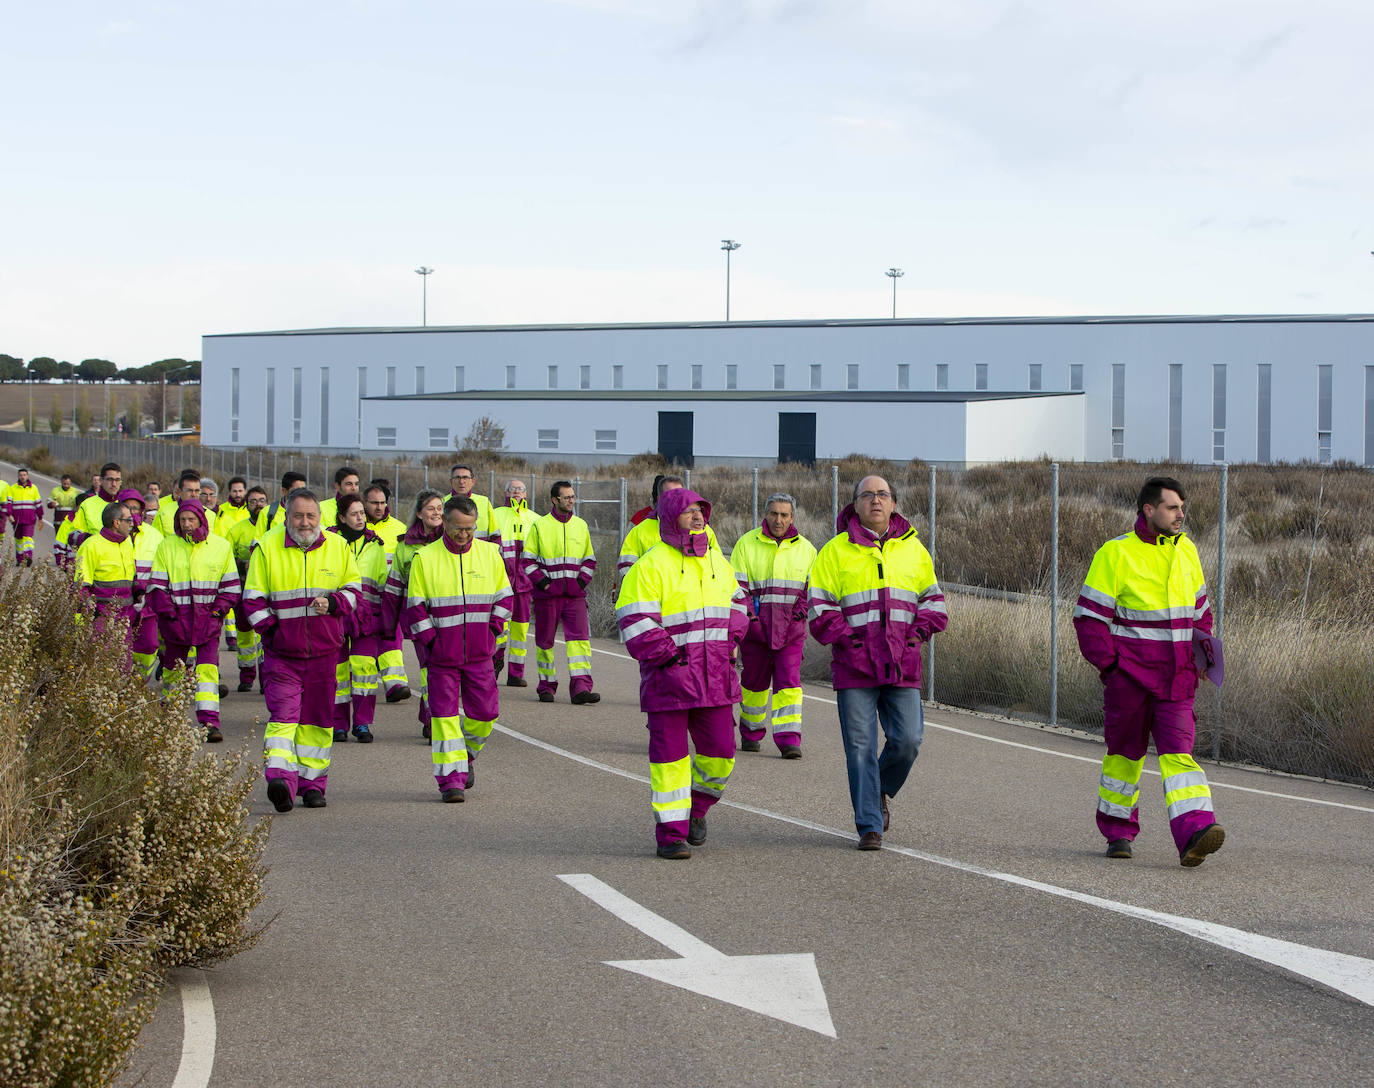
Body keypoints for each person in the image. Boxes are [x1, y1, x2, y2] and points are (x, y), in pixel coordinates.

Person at [1073, 476, 1225, 867]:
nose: (1180, 515)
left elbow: (1200, 613)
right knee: (1124, 758)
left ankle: (1195, 831)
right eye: (1172, 508)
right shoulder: (1115, 554)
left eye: (1182, 508)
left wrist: (1205, 657)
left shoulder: (1187, 550)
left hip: (1177, 679)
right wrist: (1112, 667)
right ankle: (1118, 832)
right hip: (1130, 681)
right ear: (1149, 510)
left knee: (1180, 754)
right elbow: (1089, 620)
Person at [809, 475, 948, 851]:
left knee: (908, 741)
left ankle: (879, 791)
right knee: (859, 746)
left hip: (903, 664)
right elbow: (819, 608)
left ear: (894, 504)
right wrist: (848, 640)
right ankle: (869, 825)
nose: (875, 500)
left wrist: (916, 636)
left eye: (883, 495)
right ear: (854, 505)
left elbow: (934, 603)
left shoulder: (914, 550)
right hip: (855, 666)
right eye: (867, 495)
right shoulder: (834, 552)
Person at [616, 488, 749, 859]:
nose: (697, 517)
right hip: (669, 680)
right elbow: (634, 619)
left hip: (716, 679)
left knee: (721, 756)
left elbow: (739, 604)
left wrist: (731, 639)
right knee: (670, 762)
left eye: (700, 511)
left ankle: (697, 811)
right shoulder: (652, 564)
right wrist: (669, 657)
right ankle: (670, 835)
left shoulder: (717, 563)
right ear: (671, 515)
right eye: (688, 511)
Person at [244, 488, 360, 812]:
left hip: (325, 653)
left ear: (320, 518)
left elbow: (354, 590)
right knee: (283, 717)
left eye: (311, 516)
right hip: (283, 655)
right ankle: (280, 778)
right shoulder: (266, 547)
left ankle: (312, 785)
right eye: (298, 515)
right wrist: (275, 633)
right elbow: (252, 601)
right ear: (286, 516)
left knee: (318, 722)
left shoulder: (338, 546)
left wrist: (334, 602)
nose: (305, 522)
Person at [405, 495, 513, 802]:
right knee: (444, 719)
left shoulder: (491, 554)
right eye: (457, 528)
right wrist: (433, 644)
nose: (464, 534)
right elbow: (415, 608)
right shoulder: (425, 558)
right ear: (445, 523)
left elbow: (504, 600)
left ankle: (465, 755)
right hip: (441, 659)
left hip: (480, 655)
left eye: (469, 528)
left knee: (486, 714)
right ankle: (450, 781)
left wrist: (491, 634)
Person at [731, 492, 817, 759]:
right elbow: (737, 588)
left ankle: (789, 740)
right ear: (765, 515)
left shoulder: (807, 550)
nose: (778, 519)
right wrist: (752, 621)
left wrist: (798, 617)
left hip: (791, 632)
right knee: (753, 685)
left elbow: (810, 591)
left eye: (784, 515)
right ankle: (751, 733)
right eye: (773, 514)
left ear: (792, 517)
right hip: (755, 632)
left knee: (789, 685)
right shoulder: (746, 544)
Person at [146, 500, 240, 743]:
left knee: (208, 672)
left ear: (201, 519)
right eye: (182, 520)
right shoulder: (167, 546)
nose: (186, 524)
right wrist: (169, 615)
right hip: (176, 621)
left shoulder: (221, 547)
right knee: (173, 671)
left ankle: (209, 722)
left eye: (191, 519)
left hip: (208, 621)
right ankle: (170, 717)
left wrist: (217, 613)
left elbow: (230, 588)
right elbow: (157, 586)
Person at [523, 480, 599, 705]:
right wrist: (545, 584)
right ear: (554, 500)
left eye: (572, 496)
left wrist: (580, 584)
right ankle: (546, 686)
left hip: (574, 596)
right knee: (545, 642)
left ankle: (581, 688)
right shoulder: (540, 526)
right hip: (547, 596)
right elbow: (528, 560)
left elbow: (589, 559)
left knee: (580, 642)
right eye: (566, 497)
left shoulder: (581, 525)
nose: (571, 501)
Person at [383, 489, 446, 737]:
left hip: (449, 615)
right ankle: (433, 721)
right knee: (430, 669)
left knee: (443, 670)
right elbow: (394, 588)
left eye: (440, 508)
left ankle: (430, 714)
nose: (436, 513)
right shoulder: (405, 546)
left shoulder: (451, 541)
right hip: (419, 618)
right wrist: (388, 627)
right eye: (431, 509)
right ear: (419, 513)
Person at [327, 493, 387, 743]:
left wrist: (384, 616)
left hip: (366, 618)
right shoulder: (329, 541)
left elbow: (382, 581)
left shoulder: (376, 545)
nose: (361, 517)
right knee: (338, 672)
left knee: (365, 671)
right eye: (354, 513)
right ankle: (338, 724)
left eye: (362, 512)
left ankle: (362, 723)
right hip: (337, 617)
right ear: (341, 517)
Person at [363, 481, 412, 702]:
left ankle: (395, 684)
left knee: (392, 637)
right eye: (374, 503)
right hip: (363, 597)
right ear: (364, 503)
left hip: (390, 595)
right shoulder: (357, 526)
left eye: (382, 502)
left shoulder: (400, 529)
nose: (379, 507)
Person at [225, 486, 272, 691]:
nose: (258, 505)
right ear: (247, 504)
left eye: (262, 500)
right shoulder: (236, 530)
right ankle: (246, 676)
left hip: (267, 589)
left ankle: (266, 679)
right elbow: (225, 559)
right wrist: (240, 562)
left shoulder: (274, 529)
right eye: (253, 501)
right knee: (244, 634)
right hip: (243, 588)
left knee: (265, 635)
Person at [73, 500, 139, 640]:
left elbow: (131, 578)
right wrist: (92, 615)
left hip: (126, 617)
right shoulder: (91, 546)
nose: (132, 523)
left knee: (124, 660)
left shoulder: (127, 542)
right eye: (128, 520)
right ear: (116, 523)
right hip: (101, 619)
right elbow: (81, 586)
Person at [492, 477, 535, 686]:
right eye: (512, 489)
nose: (517, 492)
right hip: (501, 583)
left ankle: (516, 673)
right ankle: (493, 665)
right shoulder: (495, 515)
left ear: (526, 494)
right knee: (499, 628)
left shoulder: (535, 519)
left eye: (520, 489)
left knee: (521, 630)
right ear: (506, 493)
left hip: (525, 585)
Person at [119, 489, 164, 686]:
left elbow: (163, 568)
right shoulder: (108, 536)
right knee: (121, 647)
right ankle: (122, 685)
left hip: (147, 602)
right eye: (127, 508)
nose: (132, 513)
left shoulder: (154, 536)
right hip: (118, 602)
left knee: (149, 645)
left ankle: (137, 682)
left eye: (136, 508)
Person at [68, 463, 124, 550]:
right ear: (101, 481)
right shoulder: (87, 504)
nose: (114, 484)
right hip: (95, 558)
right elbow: (72, 536)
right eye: (110, 479)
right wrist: (89, 538)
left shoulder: (125, 504)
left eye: (117, 480)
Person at [448, 464, 500, 543]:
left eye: (465, 477)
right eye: (457, 477)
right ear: (451, 481)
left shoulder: (484, 502)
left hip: (480, 553)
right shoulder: (441, 503)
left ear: (473, 481)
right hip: (450, 553)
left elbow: (495, 535)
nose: (461, 482)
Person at [6, 467, 42, 566]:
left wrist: (41, 517)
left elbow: (38, 504)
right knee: (18, 540)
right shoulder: (12, 488)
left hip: (29, 519)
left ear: (27, 476)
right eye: (21, 475)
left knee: (27, 539)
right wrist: (9, 515)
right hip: (16, 520)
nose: (22, 477)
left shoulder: (34, 488)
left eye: (24, 475)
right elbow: (9, 503)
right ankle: (20, 559)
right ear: (18, 476)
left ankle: (27, 557)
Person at [47, 472, 81, 567]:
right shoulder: (55, 491)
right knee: (60, 541)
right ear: (61, 482)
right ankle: (62, 559)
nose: (66, 485)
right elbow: (48, 503)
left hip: (71, 522)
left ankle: (68, 559)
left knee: (70, 541)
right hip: (59, 521)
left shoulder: (75, 492)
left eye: (68, 484)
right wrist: (51, 504)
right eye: (64, 483)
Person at [153, 471, 202, 536]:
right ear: (180, 491)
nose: (194, 494)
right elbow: (155, 540)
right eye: (189, 490)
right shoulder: (163, 513)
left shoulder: (210, 515)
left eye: (197, 491)